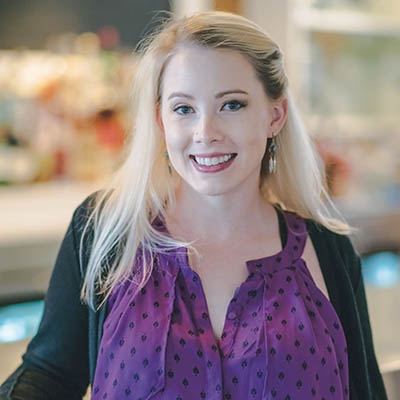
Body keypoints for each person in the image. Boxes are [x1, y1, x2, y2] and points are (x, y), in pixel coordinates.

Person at [0, 11, 387, 400]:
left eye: (232, 105)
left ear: (275, 115)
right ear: (161, 121)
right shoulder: (106, 230)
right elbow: (47, 375)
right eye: (184, 109)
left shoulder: (329, 252)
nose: (206, 133)